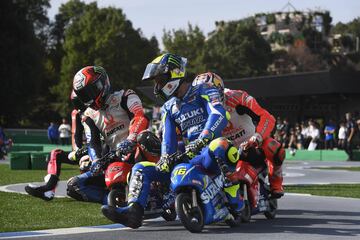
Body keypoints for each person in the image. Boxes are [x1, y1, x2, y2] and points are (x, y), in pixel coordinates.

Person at [101, 54, 242, 228]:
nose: (157, 87)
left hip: (208, 152)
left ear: (175, 74)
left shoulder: (204, 89)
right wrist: (166, 157)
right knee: (140, 168)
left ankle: (233, 195)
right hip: (188, 156)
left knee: (221, 145)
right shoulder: (168, 107)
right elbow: (168, 139)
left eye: (159, 80)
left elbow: (219, 114)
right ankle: (133, 212)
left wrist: (203, 138)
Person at [66, 65, 150, 204]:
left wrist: (130, 140)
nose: (89, 98)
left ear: (102, 84)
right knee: (73, 185)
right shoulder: (88, 115)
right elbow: (93, 141)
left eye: (91, 92)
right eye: (84, 95)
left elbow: (140, 117)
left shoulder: (126, 96)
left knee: (146, 139)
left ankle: (161, 184)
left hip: (139, 148)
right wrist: (96, 160)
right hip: (115, 156)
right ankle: (115, 200)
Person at [25, 91, 100, 201]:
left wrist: (87, 152)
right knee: (56, 154)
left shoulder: (100, 111)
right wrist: (79, 150)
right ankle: (49, 189)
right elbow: (77, 134)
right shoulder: (79, 114)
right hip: (87, 150)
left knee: (82, 170)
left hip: (99, 154)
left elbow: (103, 138)